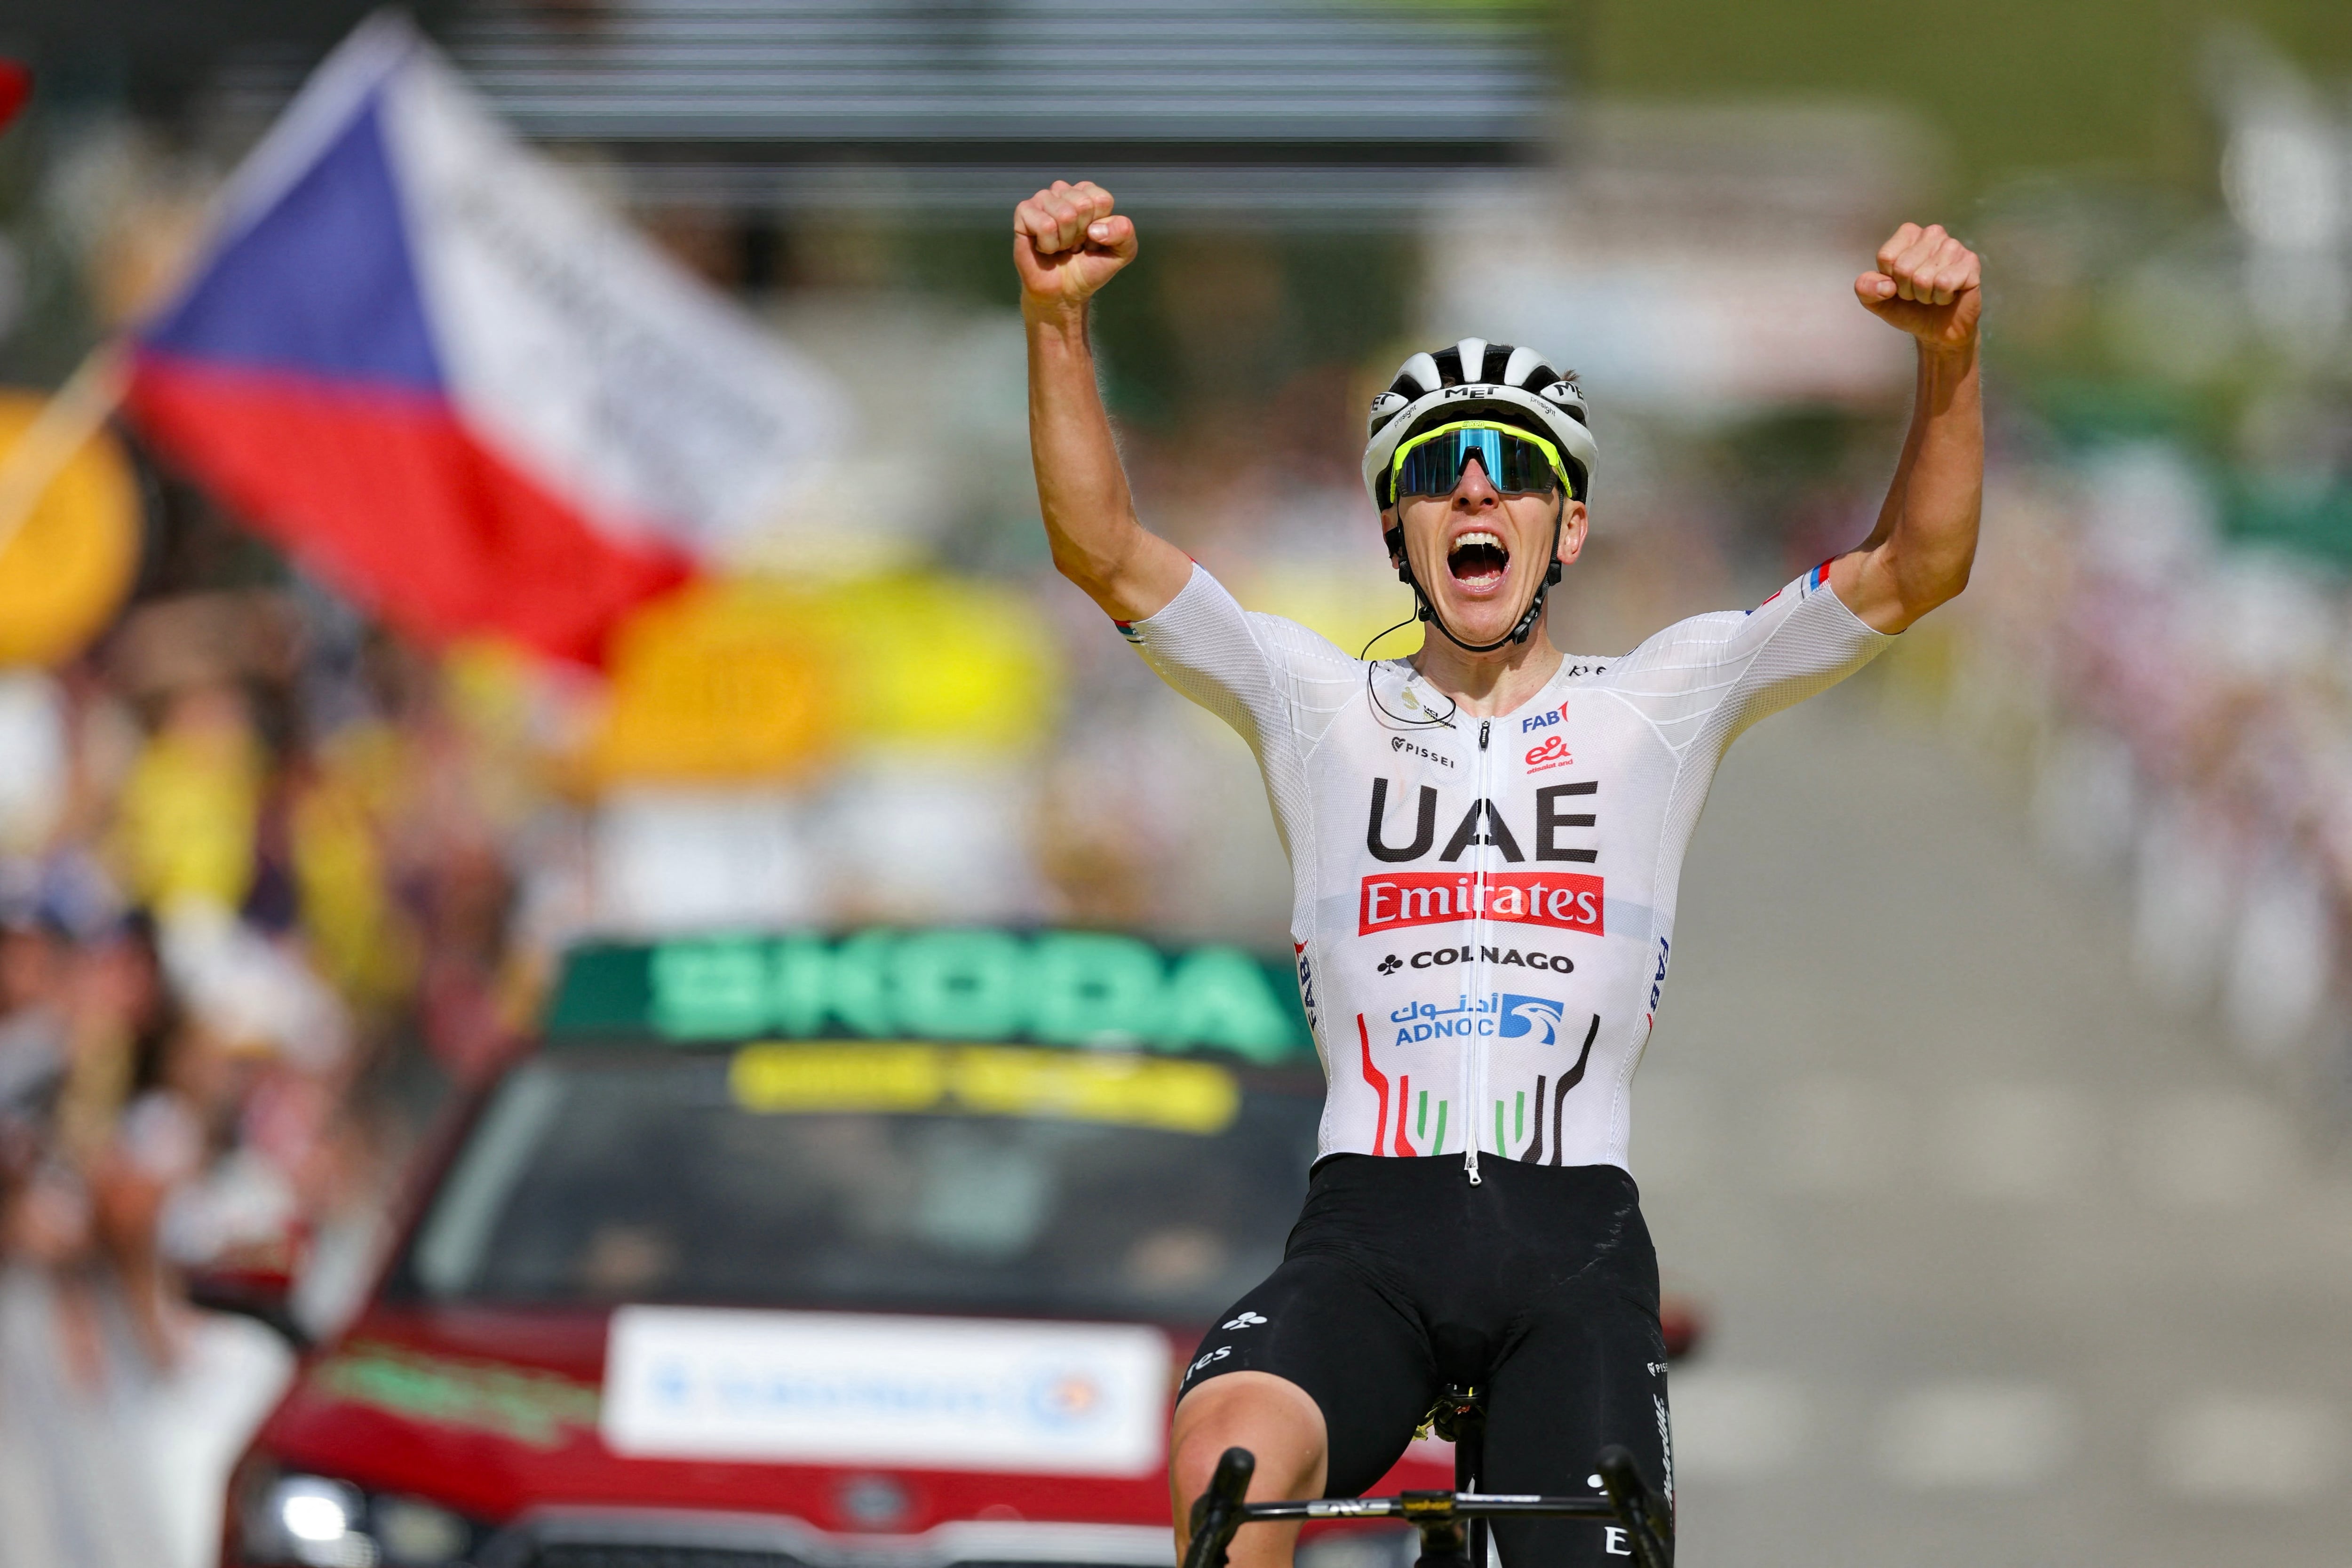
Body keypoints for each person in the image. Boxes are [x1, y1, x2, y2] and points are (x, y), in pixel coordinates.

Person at [1016, 179, 1981, 1567]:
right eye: (1434, 469)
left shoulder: (1664, 695)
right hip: (1368, 1229)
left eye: (1516, 467)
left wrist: (1947, 358)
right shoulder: (1311, 701)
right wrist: (1056, 322)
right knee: (1231, 1465)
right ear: (1398, 532)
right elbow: (1102, 549)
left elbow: (1921, 564)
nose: (1475, 486)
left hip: (1571, 1243)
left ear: (1568, 528)